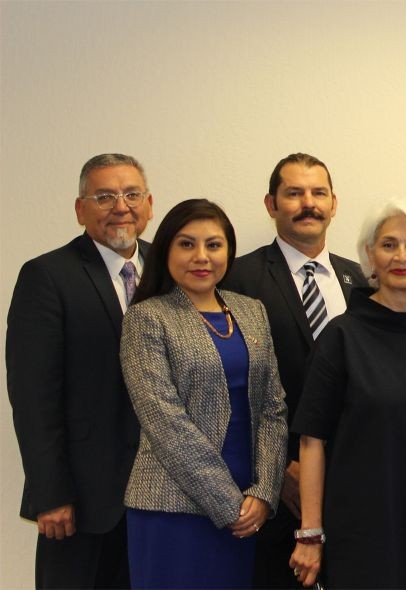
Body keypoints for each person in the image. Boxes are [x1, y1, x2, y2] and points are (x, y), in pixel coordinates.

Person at [288, 196, 406, 588]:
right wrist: (310, 533)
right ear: (370, 257)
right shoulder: (341, 337)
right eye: (389, 244)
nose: (402, 257)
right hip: (362, 537)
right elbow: (312, 441)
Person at [120, 198, 289, 588]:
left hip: (249, 507)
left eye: (213, 245)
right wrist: (228, 505)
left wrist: (263, 493)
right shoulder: (147, 318)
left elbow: (273, 409)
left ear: (229, 251)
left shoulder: (252, 312)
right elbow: (164, 422)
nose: (201, 257)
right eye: (186, 244)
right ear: (166, 250)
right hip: (173, 509)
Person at [7, 153, 153, 588]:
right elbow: (34, 396)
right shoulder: (47, 276)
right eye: (104, 196)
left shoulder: (173, 271)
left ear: (149, 204)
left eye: (131, 194)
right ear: (80, 209)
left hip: (162, 498)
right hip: (83, 504)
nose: (120, 206)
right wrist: (50, 493)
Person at [221, 153, 367, 587]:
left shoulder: (361, 281)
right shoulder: (236, 278)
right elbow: (229, 386)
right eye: (294, 193)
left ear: (334, 203)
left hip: (354, 480)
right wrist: (277, 467)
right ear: (271, 204)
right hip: (278, 485)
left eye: (318, 193)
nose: (309, 203)